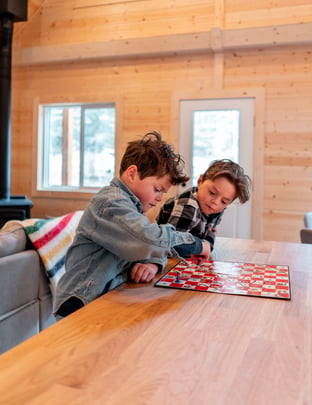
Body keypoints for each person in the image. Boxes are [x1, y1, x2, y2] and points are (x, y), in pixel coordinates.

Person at [53, 131, 210, 318]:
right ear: (132, 173)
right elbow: (149, 241)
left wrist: (152, 263)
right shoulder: (111, 203)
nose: (159, 198)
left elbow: (147, 248)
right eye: (157, 189)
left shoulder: (132, 207)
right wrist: (197, 244)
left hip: (106, 298)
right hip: (79, 304)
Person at [156, 159, 252, 259]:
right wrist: (201, 247)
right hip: (161, 258)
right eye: (212, 193)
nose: (216, 202)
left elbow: (210, 235)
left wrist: (204, 246)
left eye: (224, 201)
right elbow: (172, 244)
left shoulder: (215, 209)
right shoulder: (188, 206)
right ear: (200, 181)